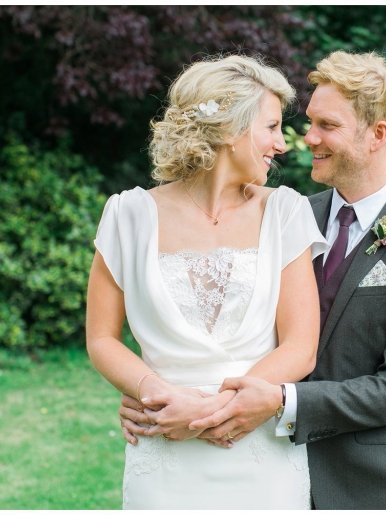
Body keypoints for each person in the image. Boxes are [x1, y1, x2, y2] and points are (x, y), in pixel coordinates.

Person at [123, 50, 386, 509]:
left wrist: (280, 401)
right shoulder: (284, 214)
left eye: (327, 125)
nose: (308, 138)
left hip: (364, 482)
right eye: (310, 122)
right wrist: (162, 398)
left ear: (377, 135)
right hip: (255, 461)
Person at [86, 55, 327, 509]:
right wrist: (153, 392)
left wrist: (209, 412)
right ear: (230, 129)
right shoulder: (128, 215)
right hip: (163, 448)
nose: (282, 144)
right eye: (271, 127)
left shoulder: (286, 212)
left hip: (259, 453)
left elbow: (300, 346)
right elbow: (101, 338)